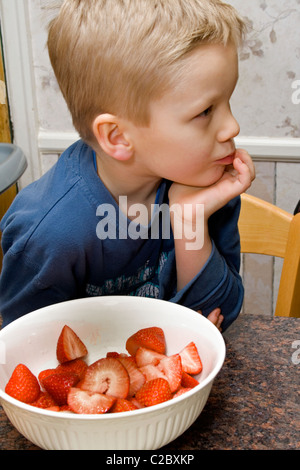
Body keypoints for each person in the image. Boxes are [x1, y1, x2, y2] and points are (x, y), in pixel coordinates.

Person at [0, 0, 255, 331]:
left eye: (227, 101)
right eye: (205, 111)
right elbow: (29, 353)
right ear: (118, 137)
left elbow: (219, 317)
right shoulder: (50, 235)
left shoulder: (203, 180)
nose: (232, 127)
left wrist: (190, 220)